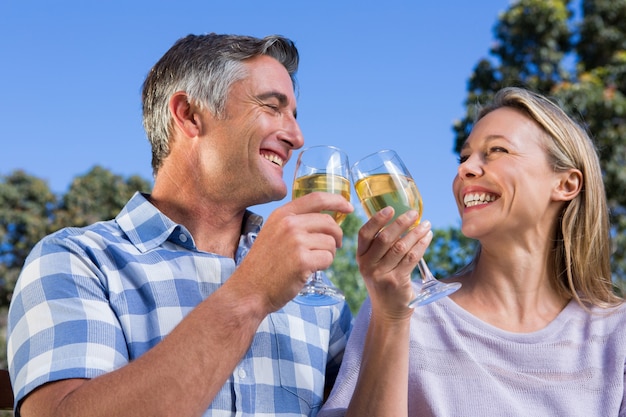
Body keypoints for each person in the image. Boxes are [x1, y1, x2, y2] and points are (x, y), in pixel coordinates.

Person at [7, 33, 354, 417]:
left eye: (294, 116)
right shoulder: (77, 262)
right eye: (272, 108)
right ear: (189, 114)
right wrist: (250, 294)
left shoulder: (320, 298)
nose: (296, 137)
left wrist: (390, 315)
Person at [319, 86, 626, 416]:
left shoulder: (615, 335)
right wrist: (392, 321)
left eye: (496, 151)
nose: (465, 169)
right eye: (464, 157)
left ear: (565, 184)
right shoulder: (398, 307)